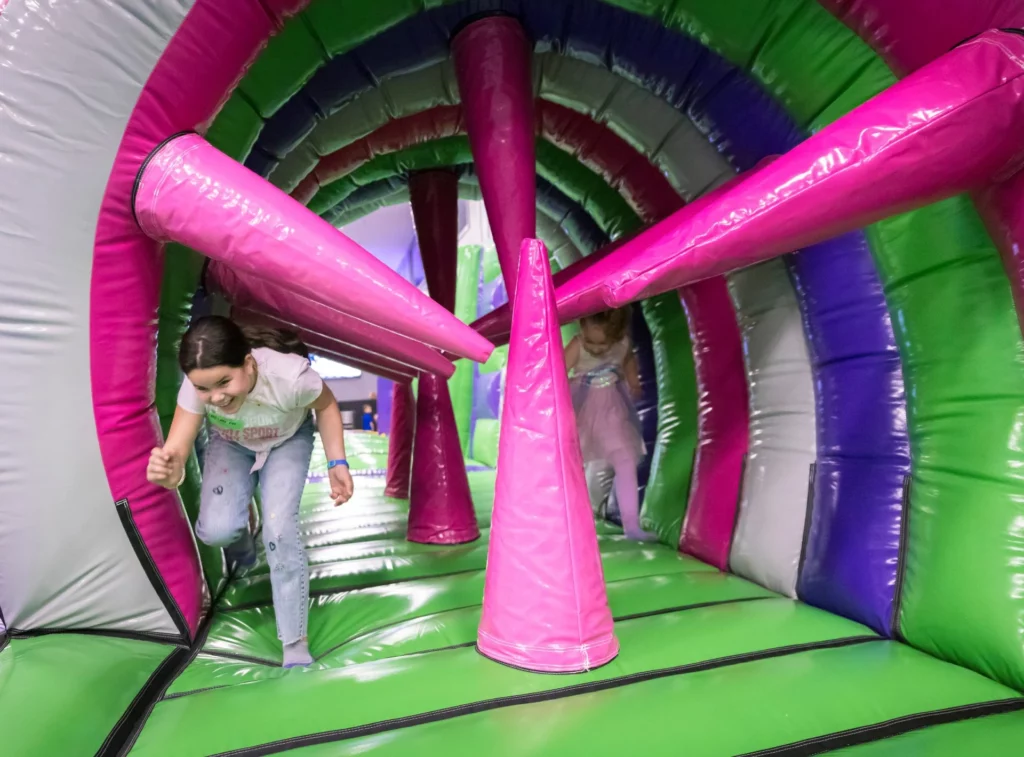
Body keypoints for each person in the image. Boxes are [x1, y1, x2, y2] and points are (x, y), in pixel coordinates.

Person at [146, 316, 354, 667]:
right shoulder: (196, 388)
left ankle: (294, 640)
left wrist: (337, 463)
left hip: (286, 439)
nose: (216, 397)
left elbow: (327, 406)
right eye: (203, 389)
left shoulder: (291, 378)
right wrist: (167, 471)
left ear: (248, 362)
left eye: (224, 382)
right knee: (217, 530)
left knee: (279, 529)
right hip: (232, 443)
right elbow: (177, 456)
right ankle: (245, 522)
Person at [565, 307, 655, 542]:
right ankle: (570, 521)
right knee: (575, 463)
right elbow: (558, 372)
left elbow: (628, 365)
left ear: (615, 335)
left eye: (601, 345)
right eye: (590, 343)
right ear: (582, 326)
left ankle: (631, 525)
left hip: (613, 411)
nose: (595, 349)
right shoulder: (577, 345)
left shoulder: (622, 343)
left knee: (625, 461)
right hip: (583, 409)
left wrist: (634, 383)